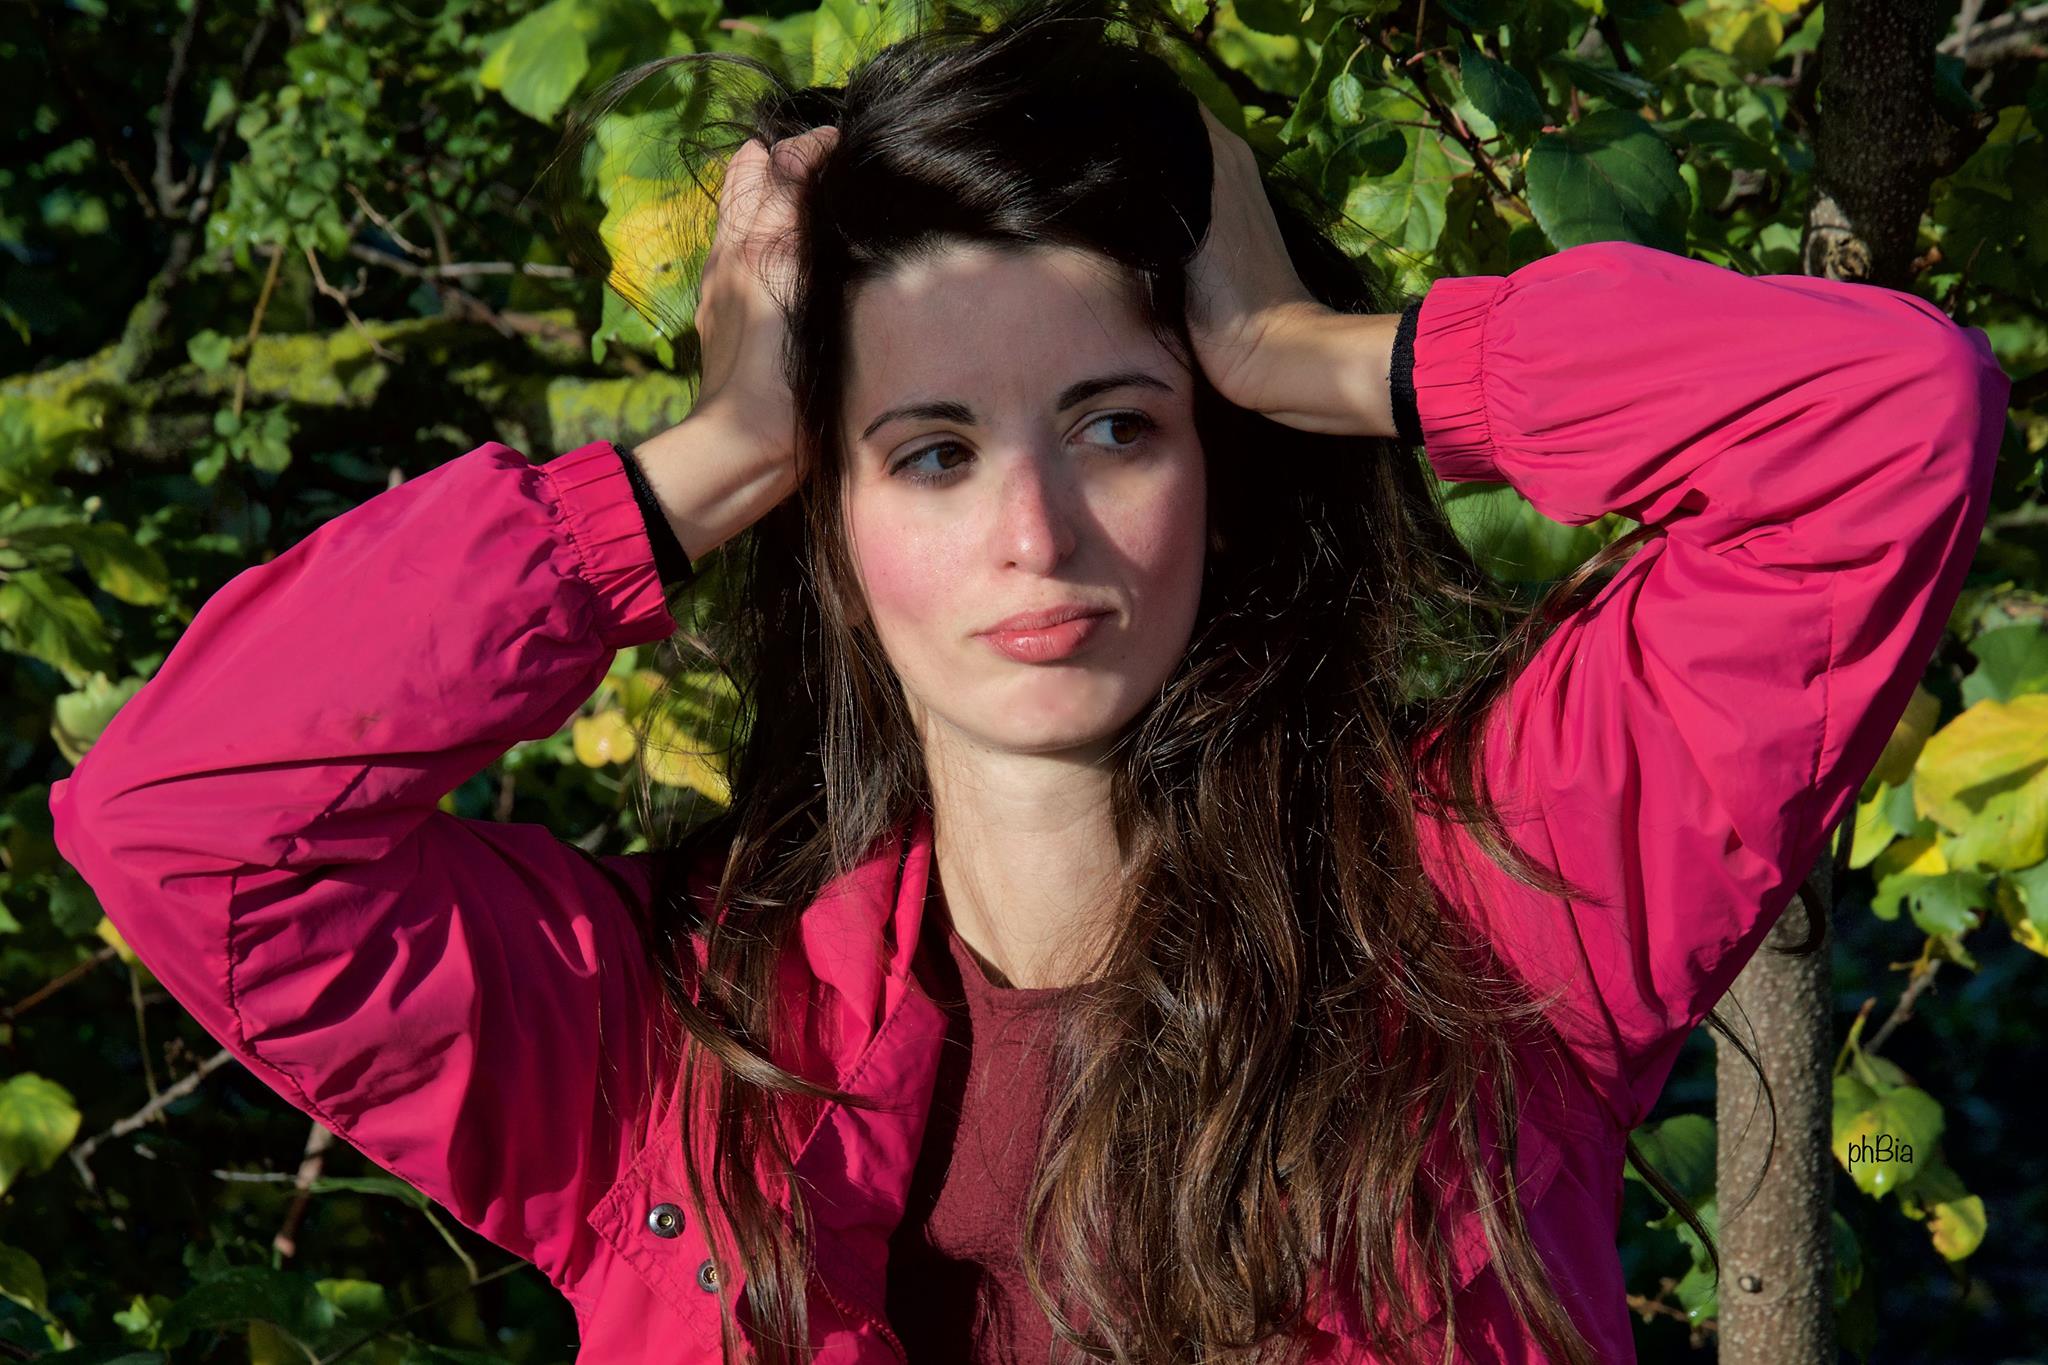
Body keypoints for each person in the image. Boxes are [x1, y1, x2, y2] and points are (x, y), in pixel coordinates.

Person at [49, 2, 2010, 1362]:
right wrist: (708, 455)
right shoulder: (665, 1049)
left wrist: (1318, 356)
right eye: (930, 452)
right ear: (828, 521)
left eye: (1117, 424)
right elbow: (185, 818)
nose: (1035, 531)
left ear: (1221, 468)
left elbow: (1880, 422)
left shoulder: (1494, 914)